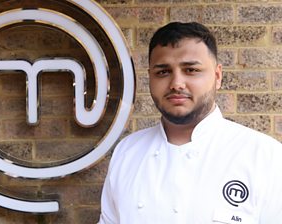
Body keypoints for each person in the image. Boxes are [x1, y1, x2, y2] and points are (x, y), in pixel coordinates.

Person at [99, 22, 282, 224]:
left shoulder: (264, 156)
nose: (176, 83)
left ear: (217, 76)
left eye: (191, 70)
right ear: (150, 77)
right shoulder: (127, 152)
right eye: (163, 72)